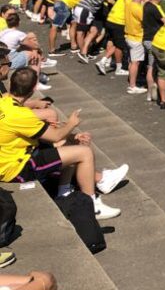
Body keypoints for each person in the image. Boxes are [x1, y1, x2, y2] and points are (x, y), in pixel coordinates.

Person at [0, 68, 126, 220]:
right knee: (83, 152)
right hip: (17, 168)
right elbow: (55, 136)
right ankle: (91, 206)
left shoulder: (4, 102)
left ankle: (66, 191)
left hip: (9, 159)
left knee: (71, 142)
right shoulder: (21, 115)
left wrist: (72, 135)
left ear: (12, 84)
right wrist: (72, 123)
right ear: (34, 88)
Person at [122, 0, 148, 95]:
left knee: (132, 60)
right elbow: (146, 20)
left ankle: (132, 81)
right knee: (135, 63)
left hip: (128, 35)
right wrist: (146, 2)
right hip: (136, 37)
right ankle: (132, 86)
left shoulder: (129, 3)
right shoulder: (138, 9)